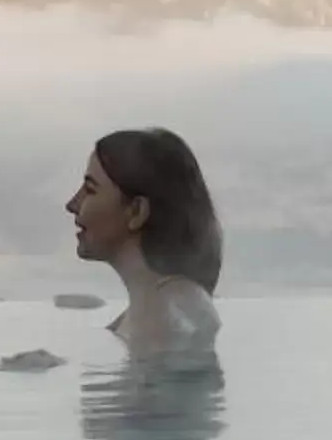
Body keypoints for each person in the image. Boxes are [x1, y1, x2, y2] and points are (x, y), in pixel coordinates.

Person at [67, 127, 223, 359]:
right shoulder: (152, 310)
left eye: (90, 189)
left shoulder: (169, 315)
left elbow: (165, 391)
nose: (72, 204)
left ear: (136, 211)